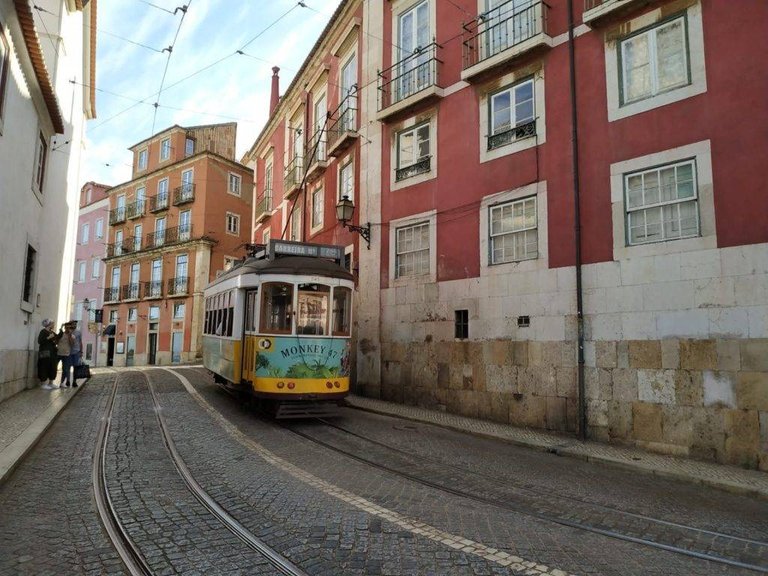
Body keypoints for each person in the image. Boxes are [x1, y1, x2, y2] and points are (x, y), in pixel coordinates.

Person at [37, 319, 59, 389]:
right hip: (44, 352)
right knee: (44, 366)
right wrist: (48, 337)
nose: (53, 325)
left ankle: (51, 383)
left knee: (52, 367)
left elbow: (57, 339)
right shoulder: (43, 331)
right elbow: (40, 341)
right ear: (48, 324)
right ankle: (43, 383)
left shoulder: (52, 332)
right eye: (52, 323)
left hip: (52, 352)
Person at [57, 322, 74, 387]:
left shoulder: (72, 336)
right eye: (66, 327)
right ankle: (51, 382)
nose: (68, 329)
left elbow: (72, 344)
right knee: (53, 367)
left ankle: (62, 383)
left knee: (65, 369)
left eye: (69, 328)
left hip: (66, 354)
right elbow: (56, 341)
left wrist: (69, 336)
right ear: (65, 328)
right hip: (58, 353)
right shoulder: (61, 334)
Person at [68, 320, 83, 387]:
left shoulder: (78, 332)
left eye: (75, 324)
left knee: (76, 367)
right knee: (67, 367)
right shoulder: (67, 332)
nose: (75, 325)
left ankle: (74, 381)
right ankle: (68, 381)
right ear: (70, 325)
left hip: (76, 351)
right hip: (68, 352)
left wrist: (81, 351)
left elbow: (80, 342)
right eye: (73, 324)